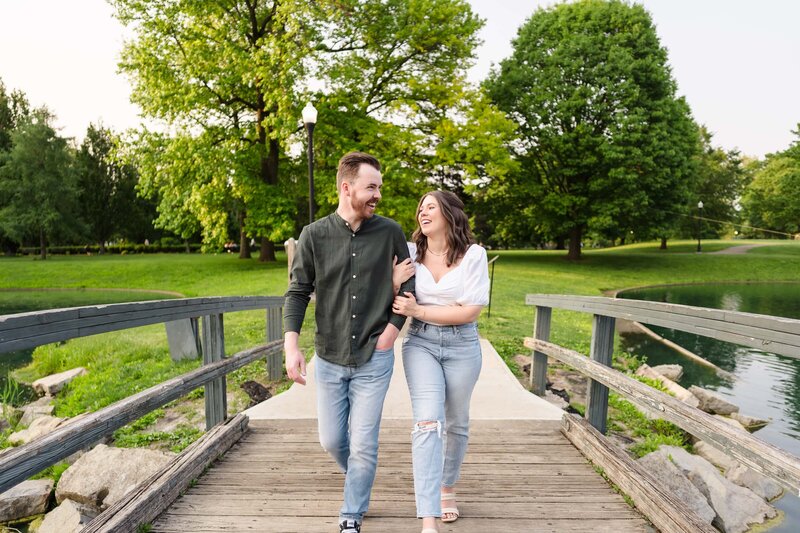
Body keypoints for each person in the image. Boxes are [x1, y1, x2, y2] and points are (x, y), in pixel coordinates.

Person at [283, 151, 415, 533]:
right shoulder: (314, 235)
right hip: (328, 357)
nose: (377, 195)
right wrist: (292, 347)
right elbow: (296, 293)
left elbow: (408, 287)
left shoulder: (390, 232)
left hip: (375, 357)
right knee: (331, 440)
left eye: (379, 188)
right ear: (347, 187)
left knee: (363, 443)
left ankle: (351, 514)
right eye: (370, 187)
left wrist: (391, 332)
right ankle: (360, 476)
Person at [391, 190, 489, 533]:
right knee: (428, 422)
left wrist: (420, 309)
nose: (422, 212)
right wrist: (395, 286)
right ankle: (428, 511)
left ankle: (448, 486)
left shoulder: (474, 255)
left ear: (448, 213)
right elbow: (392, 295)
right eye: (420, 207)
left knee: (457, 422)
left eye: (430, 206)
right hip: (421, 343)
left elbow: (471, 310)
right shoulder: (410, 253)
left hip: (463, 346)